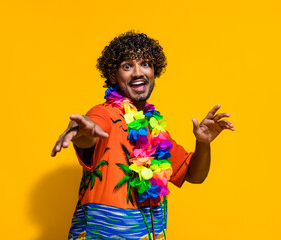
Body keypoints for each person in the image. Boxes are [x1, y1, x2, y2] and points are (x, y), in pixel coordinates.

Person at [51, 31, 234, 240]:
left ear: (154, 71)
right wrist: (81, 130)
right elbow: (91, 131)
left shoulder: (156, 129)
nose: (138, 72)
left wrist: (203, 143)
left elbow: (194, 175)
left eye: (146, 64)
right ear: (113, 75)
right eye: (127, 66)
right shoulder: (104, 113)